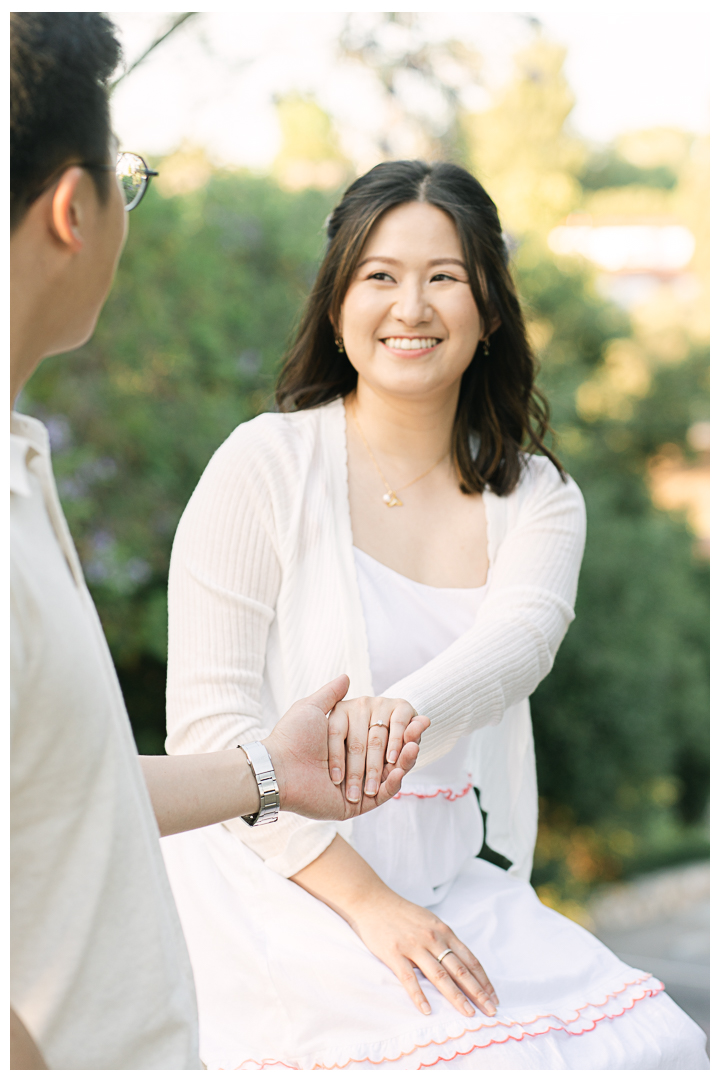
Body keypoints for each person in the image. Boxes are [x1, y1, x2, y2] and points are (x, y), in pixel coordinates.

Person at [160, 161, 710, 1070]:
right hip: (276, 884)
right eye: (379, 276)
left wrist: (395, 716)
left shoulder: (537, 495)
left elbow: (520, 640)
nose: (410, 307)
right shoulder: (262, 465)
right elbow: (207, 732)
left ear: (489, 309)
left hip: (459, 886)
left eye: (443, 277)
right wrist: (371, 904)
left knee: (648, 1053)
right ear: (337, 307)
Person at [10, 14, 427, 1070]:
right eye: (125, 178)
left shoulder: (17, 466)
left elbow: (60, 794)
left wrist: (264, 772)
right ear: (75, 208)